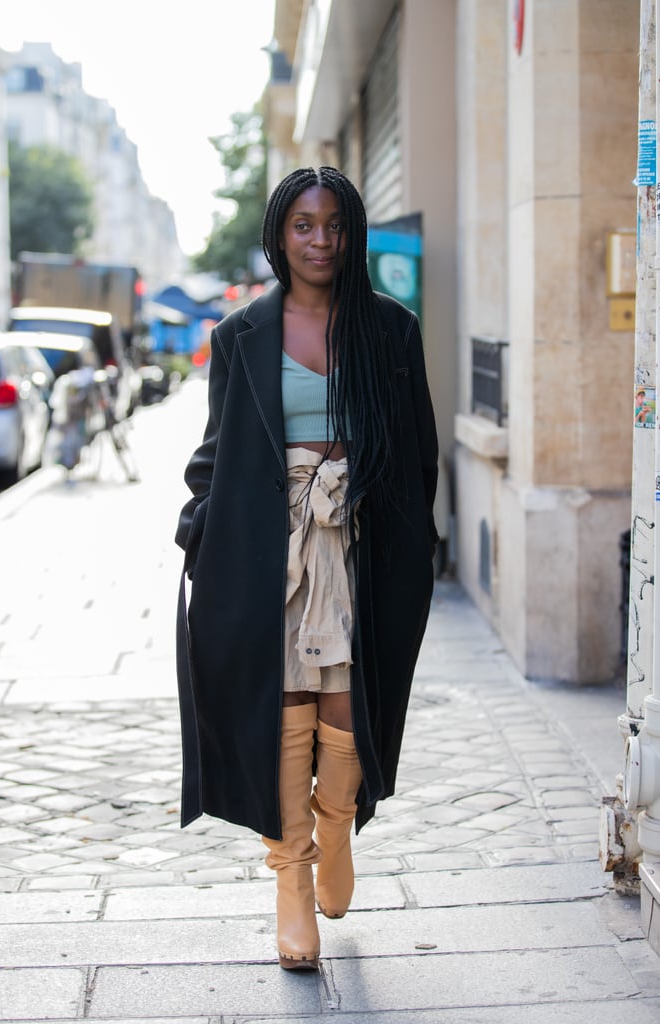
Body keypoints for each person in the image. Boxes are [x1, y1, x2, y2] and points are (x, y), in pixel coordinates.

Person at [175, 166, 439, 970]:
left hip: (358, 541)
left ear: (352, 232)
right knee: (279, 706)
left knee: (349, 702)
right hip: (263, 545)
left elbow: (419, 450)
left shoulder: (390, 329)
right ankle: (290, 883)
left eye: (333, 224)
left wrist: (407, 540)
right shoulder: (239, 335)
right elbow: (218, 453)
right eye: (303, 224)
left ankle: (337, 824)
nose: (320, 240)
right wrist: (199, 528)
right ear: (278, 234)